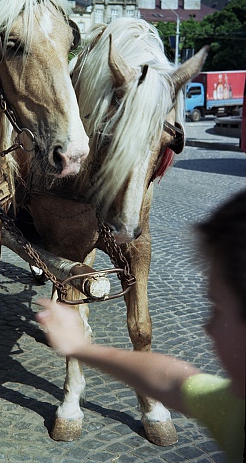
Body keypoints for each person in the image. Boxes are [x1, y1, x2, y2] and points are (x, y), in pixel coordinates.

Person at [36, 188, 246, 463]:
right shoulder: (233, 407)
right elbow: (173, 380)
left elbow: (175, 382)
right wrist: (79, 348)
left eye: (217, 308)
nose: (206, 327)